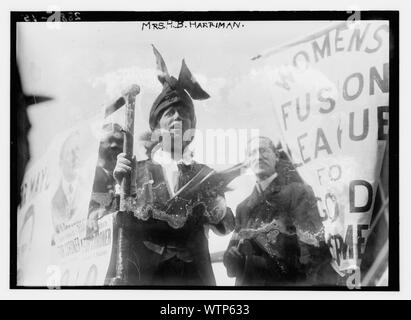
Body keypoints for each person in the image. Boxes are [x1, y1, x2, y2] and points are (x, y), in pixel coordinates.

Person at [109, 47, 235, 286]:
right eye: (170, 113)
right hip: (146, 281)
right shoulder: (134, 172)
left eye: (183, 113)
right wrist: (119, 186)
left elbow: (226, 226)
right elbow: (118, 226)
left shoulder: (205, 174)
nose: (178, 117)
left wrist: (219, 205)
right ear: (157, 126)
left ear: (191, 125)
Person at [223, 136, 333, 286]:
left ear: (276, 156)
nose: (258, 156)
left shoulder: (297, 192)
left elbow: (313, 251)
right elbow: (232, 265)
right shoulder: (243, 208)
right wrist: (232, 257)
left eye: (263, 150)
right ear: (248, 162)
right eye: (252, 153)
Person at [86, 123, 124, 237]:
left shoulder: (134, 176)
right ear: (98, 146)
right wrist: (92, 214)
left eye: (120, 142)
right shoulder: (88, 180)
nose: (114, 146)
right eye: (110, 140)